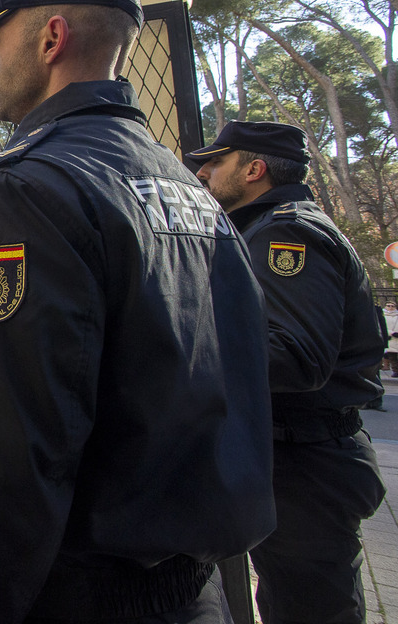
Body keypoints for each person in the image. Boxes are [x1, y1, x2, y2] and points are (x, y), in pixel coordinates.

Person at [0, 0, 275, 624]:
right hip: (195, 595)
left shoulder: (32, 186)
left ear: (51, 38)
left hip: (85, 598)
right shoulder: (195, 192)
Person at [189, 119, 387, 624]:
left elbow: (298, 358)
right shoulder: (263, 228)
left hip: (308, 465)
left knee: (311, 608)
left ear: (254, 169)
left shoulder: (288, 233)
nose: (205, 172)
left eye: (216, 161)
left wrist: (181, 348)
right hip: (295, 457)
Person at [384, 301, 398, 378]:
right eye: (388, 305)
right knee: (392, 356)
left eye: (392, 306)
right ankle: (395, 370)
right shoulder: (384, 316)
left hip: (397, 338)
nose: (390, 307)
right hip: (390, 338)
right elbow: (382, 327)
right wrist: (391, 333)